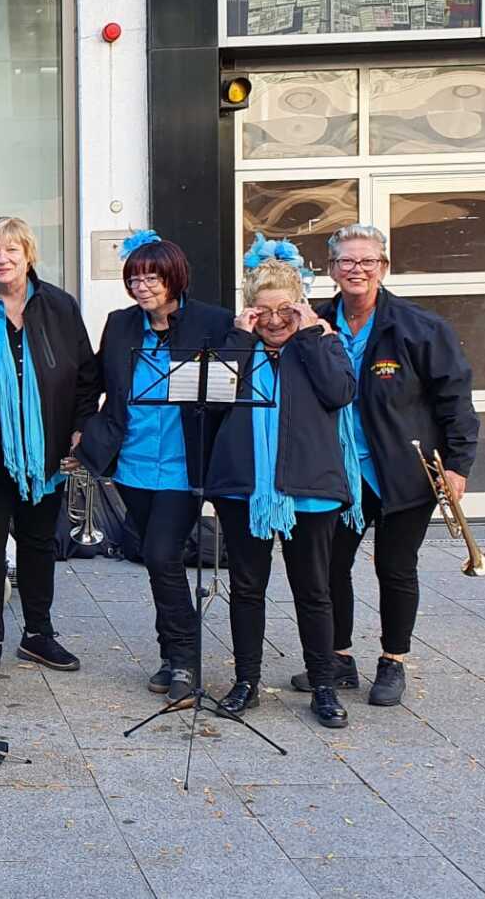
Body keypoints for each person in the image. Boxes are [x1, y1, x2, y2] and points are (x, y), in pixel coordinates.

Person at [308, 224, 478, 705]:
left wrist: (458, 465)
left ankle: (393, 661)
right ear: (331, 268)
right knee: (330, 567)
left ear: (384, 267)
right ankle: (338, 658)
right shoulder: (314, 322)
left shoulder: (420, 327)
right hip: (338, 470)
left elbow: (455, 399)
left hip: (404, 471)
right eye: (346, 260)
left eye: (368, 261)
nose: (357, 269)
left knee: (396, 567)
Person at [0, 212, 98, 682]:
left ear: (29, 255)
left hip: (45, 451)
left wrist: (80, 429)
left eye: (11, 250)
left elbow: (86, 377)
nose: (1, 258)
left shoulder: (60, 307)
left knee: (39, 542)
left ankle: (38, 634)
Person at [205, 237, 359, 730]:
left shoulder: (322, 343)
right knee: (247, 588)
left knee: (313, 590)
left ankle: (324, 686)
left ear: (301, 307)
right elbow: (212, 399)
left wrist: (311, 334)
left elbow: (339, 392)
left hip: (309, 487)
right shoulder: (236, 347)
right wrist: (239, 339)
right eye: (263, 311)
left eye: (284, 310)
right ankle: (246, 682)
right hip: (244, 487)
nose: (274, 321)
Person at [79, 230, 232, 703]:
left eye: (152, 278)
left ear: (175, 277)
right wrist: (84, 428)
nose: (141, 287)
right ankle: (173, 655)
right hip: (133, 462)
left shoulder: (212, 321)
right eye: (134, 279)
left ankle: (184, 659)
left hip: (185, 464)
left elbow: (232, 384)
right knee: (154, 558)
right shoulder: (121, 324)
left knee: (163, 555)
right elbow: (93, 381)